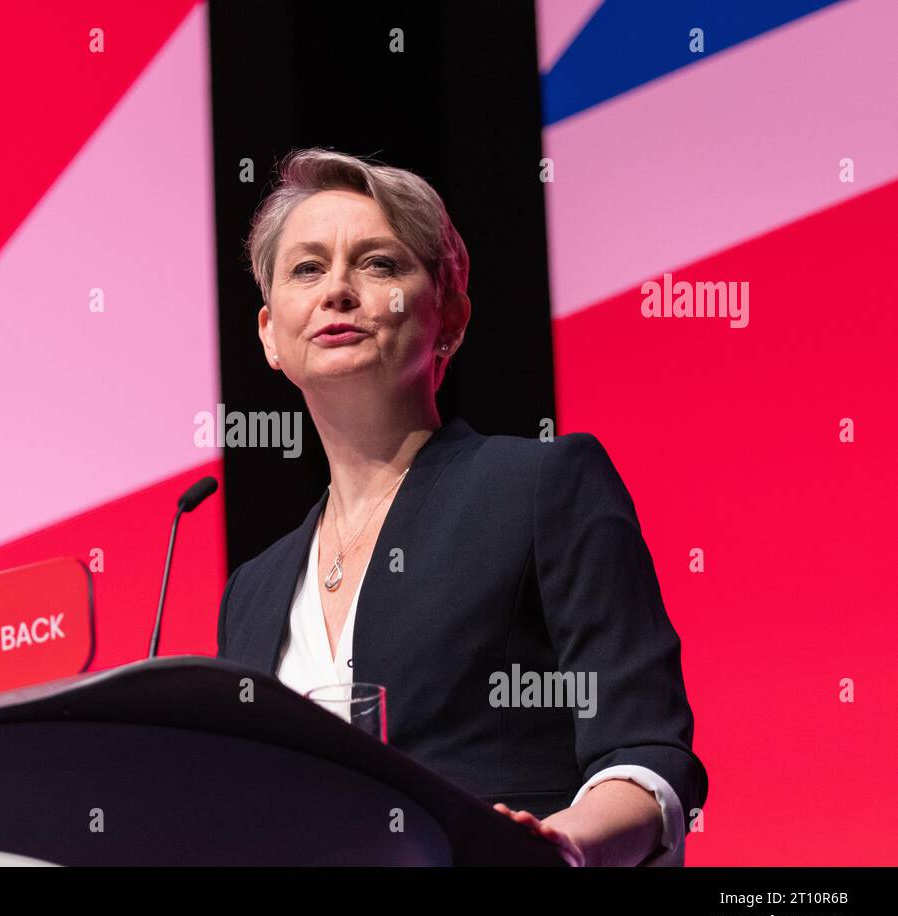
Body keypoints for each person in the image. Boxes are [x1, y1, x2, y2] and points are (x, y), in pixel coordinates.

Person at [216, 148, 706, 866]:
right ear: (269, 335)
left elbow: (647, 759)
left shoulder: (541, 487)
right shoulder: (251, 591)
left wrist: (558, 841)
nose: (339, 291)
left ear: (449, 317)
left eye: (378, 264)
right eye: (307, 268)